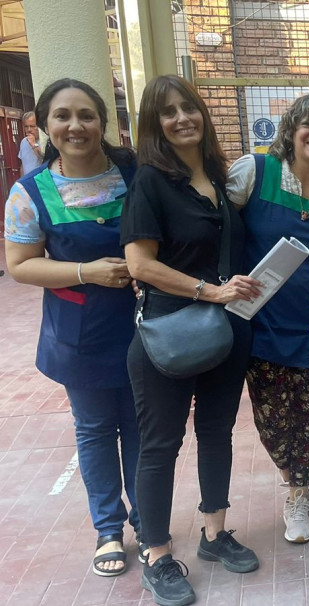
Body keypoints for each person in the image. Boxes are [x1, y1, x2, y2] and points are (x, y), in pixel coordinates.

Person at [123, 75, 262, 606]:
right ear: (154, 125)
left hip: (227, 330)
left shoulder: (220, 179)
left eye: (189, 108)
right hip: (168, 335)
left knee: (217, 433)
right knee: (159, 447)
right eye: (168, 112)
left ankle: (214, 532)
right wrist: (210, 291)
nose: (182, 118)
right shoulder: (151, 182)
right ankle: (156, 555)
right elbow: (140, 263)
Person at [4, 79, 140, 577]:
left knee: (144, 428)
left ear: (103, 122)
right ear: (45, 125)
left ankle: (149, 520)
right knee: (96, 430)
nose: (75, 125)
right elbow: (20, 264)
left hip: (143, 326)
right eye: (63, 116)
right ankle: (108, 527)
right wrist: (88, 271)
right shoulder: (30, 192)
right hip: (79, 333)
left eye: (87, 115)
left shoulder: (134, 171)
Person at [226, 93, 309, 543]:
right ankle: (301, 478)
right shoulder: (253, 173)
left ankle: (297, 492)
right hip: (258, 317)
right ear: (291, 130)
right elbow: (216, 228)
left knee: (304, 409)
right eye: (308, 123)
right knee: (269, 415)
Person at [18, 111, 43, 176]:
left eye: (32, 126)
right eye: (26, 126)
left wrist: (34, 144)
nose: (29, 129)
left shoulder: (45, 141)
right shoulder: (23, 141)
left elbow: (44, 159)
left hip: (41, 181)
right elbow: (23, 165)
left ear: (39, 126)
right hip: (28, 181)